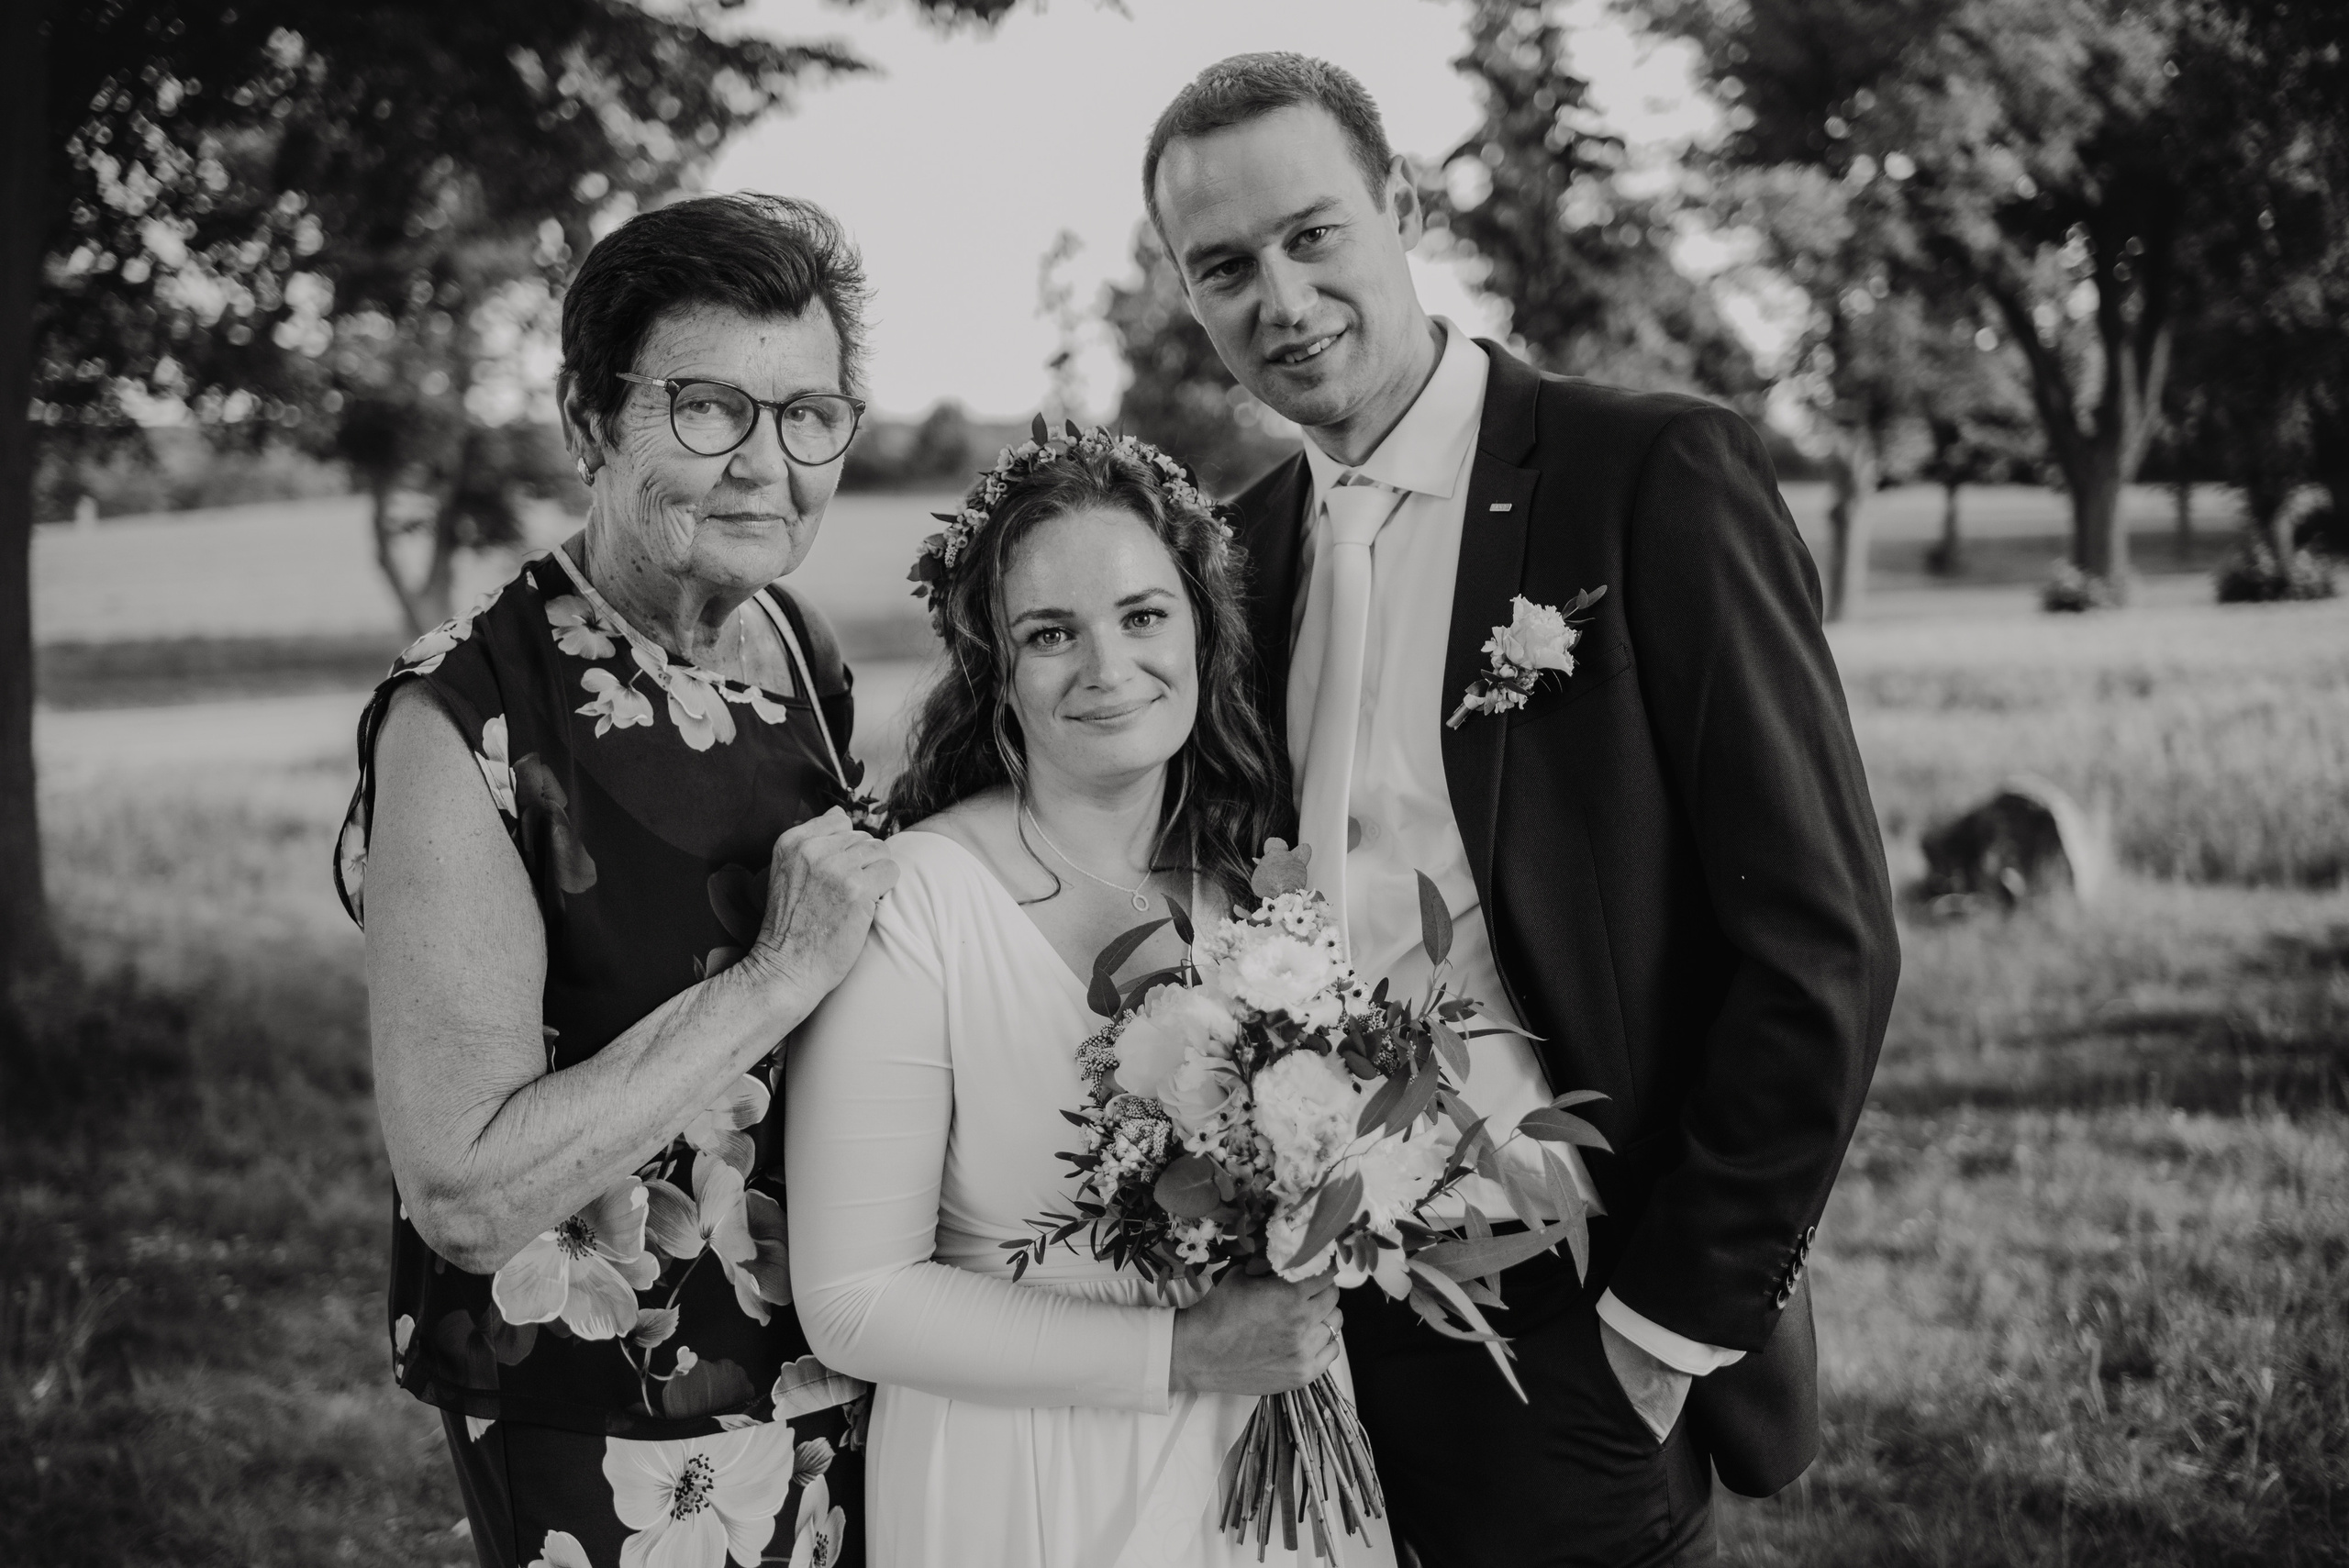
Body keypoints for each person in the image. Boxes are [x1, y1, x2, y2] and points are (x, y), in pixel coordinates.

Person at [1142, 54, 1902, 1566]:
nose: (1278, 299)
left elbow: (1823, 940)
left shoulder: (1649, 474)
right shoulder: (1229, 553)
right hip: (1307, 1335)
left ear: (1403, 206)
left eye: (1312, 237)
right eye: (1223, 267)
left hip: (1576, 1319)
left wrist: (1664, 1324)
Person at [334, 193, 896, 1568]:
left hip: (838, 1357)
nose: (767, 463)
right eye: (708, 407)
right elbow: (463, 1189)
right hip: (612, 1419)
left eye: (810, 414)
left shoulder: (795, 650)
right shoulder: (464, 717)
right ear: (591, 420)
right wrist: (777, 974)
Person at [784, 432, 1397, 1567]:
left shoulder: (1255, 897)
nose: (1108, 666)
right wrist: (1178, 1352)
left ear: (1203, 633)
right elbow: (852, 1299)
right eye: (1050, 633)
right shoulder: (920, 903)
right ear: (996, 670)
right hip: (1024, 1485)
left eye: (1143, 615)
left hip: (1266, 1464)